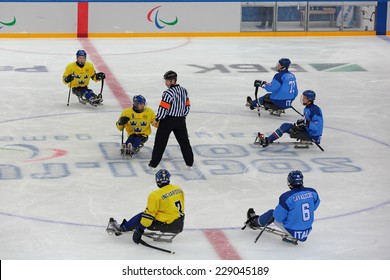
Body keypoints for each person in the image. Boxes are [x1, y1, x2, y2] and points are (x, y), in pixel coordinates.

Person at [108, 169, 185, 244]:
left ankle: (122, 228)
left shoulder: (155, 195)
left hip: (168, 225)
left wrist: (139, 230)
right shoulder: (178, 189)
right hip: (179, 223)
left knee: (142, 216)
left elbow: (148, 217)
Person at [245, 170, 320, 242]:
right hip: (307, 230)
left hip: (293, 231)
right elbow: (314, 207)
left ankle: (254, 222)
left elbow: (278, 217)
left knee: (271, 213)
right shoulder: (313, 192)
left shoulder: (286, 197)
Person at [148, 70, 194, 168]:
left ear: (173, 81)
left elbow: (163, 108)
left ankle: (154, 163)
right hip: (181, 121)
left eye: (167, 80)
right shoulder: (184, 90)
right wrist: (182, 116)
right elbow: (187, 106)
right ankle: (189, 162)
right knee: (184, 142)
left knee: (160, 142)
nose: (166, 82)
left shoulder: (168, 93)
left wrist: (157, 119)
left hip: (168, 121)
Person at [257, 90, 323, 147]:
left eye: (305, 98)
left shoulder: (314, 110)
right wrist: (303, 122)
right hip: (308, 131)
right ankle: (269, 139)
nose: (303, 99)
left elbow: (318, 126)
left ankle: (268, 140)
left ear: (310, 100)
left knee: (285, 127)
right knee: (286, 126)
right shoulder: (308, 108)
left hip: (312, 136)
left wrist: (307, 123)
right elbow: (309, 122)